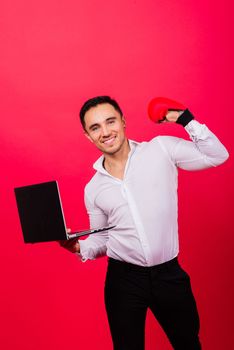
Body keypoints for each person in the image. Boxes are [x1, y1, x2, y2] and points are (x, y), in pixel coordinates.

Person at [59, 95, 229, 350]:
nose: (105, 132)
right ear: (88, 136)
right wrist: (78, 248)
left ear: (124, 121)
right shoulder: (93, 189)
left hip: (169, 275)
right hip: (123, 280)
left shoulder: (161, 149)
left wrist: (183, 119)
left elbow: (217, 155)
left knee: (189, 344)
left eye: (110, 121)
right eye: (95, 128)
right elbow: (102, 240)